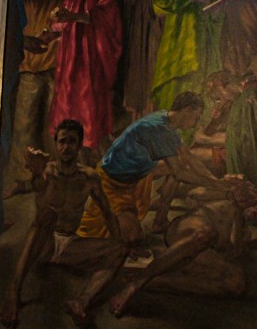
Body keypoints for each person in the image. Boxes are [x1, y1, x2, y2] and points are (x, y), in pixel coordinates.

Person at [0, 120, 127, 329]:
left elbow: (107, 212)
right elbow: (28, 185)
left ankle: (81, 302)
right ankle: (13, 292)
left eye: (71, 141)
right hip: (44, 245)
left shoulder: (89, 177)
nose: (66, 147)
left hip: (70, 245)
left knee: (121, 248)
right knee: (48, 214)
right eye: (62, 141)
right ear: (56, 144)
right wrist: (9, 191)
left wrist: (117, 243)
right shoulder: (47, 172)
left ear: (79, 145)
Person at [77, 91, 232, 250]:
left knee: (181, 164)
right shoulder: (159, 128)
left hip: (134, 177)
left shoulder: (167, 122)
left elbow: (189, 157)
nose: (195, 123)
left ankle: (160, 220)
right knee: (132, 237)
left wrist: (215, 180)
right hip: (113, 183)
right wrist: (213, 184)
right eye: (196, 117)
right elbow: (179, 173)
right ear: (187, 110)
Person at [107, 175, 257, 317]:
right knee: (204, 233)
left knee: (236, 283)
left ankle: (158, 281)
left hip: (201, 251)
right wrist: (230, 195)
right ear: (255, 197)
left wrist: (238, 214)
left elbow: (231, 253)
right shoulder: (229, 196)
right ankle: (136, 284)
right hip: (187, 228)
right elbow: (195, 194)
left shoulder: (244, 233)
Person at [4, 0, 70, 199]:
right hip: (29, 65)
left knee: (54, 125)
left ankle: (57, 175)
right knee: (24, 123)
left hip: (55, 65)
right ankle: (23, 178)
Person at [47, 0, 123, 155]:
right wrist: (52, 29)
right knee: (70, 96)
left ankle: (92, 144)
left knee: (89, 95)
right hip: (72, 53)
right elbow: (65, 19)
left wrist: (72, 17)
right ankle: (75, 144)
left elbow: (106, 17)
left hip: (91, 52)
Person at [151, 0, 226, 113]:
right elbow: (159, 6)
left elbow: (215, 15)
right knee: (177, 87)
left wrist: (217, 11)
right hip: (180, 43)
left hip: (202, 44)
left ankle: (195, 124)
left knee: (200, 85)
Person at [120, 0, 179, 119]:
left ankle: (154, 110)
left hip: (154, 22)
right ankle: (139, 112)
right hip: (139, 23)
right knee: (138, 65)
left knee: (153, 61)